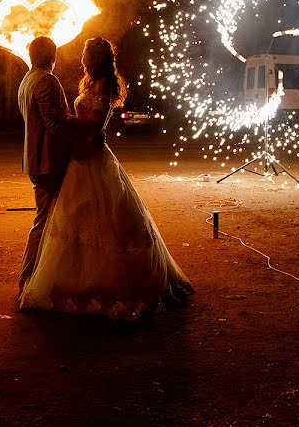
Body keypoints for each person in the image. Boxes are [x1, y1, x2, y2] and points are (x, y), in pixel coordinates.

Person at [19, 37, 195, 319]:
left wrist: (83, 130)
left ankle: (98, 282)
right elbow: (65, 122)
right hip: (77, 156)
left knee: (99, 219)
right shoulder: (83, 83)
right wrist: (75, 128)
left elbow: (93, 124)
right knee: (68, 220)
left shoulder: (103, 85)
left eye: (85, 53)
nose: (81, 57)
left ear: (94, 58)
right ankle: (68, 277)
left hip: (91, 157)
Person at [17, 36, 101, 293]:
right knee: (45, 222)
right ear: (52, 57)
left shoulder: (27, 80)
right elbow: (54, 126)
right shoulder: (46, 80)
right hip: (48, 161)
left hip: (35, 160)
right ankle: (29, 279)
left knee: (52, 219)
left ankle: (44, 276)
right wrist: (87, 129)